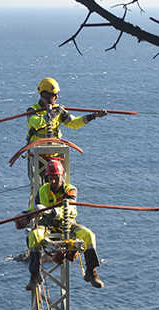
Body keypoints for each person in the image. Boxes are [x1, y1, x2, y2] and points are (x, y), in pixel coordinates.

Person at [15, 159, 104, 291]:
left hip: (67, 223)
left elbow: (71, 208)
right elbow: (35, 209)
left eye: (56, 178)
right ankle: (35, 275)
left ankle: (91, 272)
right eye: (50, 178)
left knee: (89, 235)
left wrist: (54, 211)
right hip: (47, 225)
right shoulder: (42, 191)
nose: (53, 181)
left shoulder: (70, 189)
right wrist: (25, 217)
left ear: (61, 176)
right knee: (34, 236)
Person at [26, 77, 108, 144]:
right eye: (54, 95)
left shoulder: (58, 110)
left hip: (56, 153)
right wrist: (55, 113)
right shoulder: (33, 110)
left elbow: (73, 123)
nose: (57, 97)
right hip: (37, 153)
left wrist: (92, 116)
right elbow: (37, 124)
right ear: (45, 95)